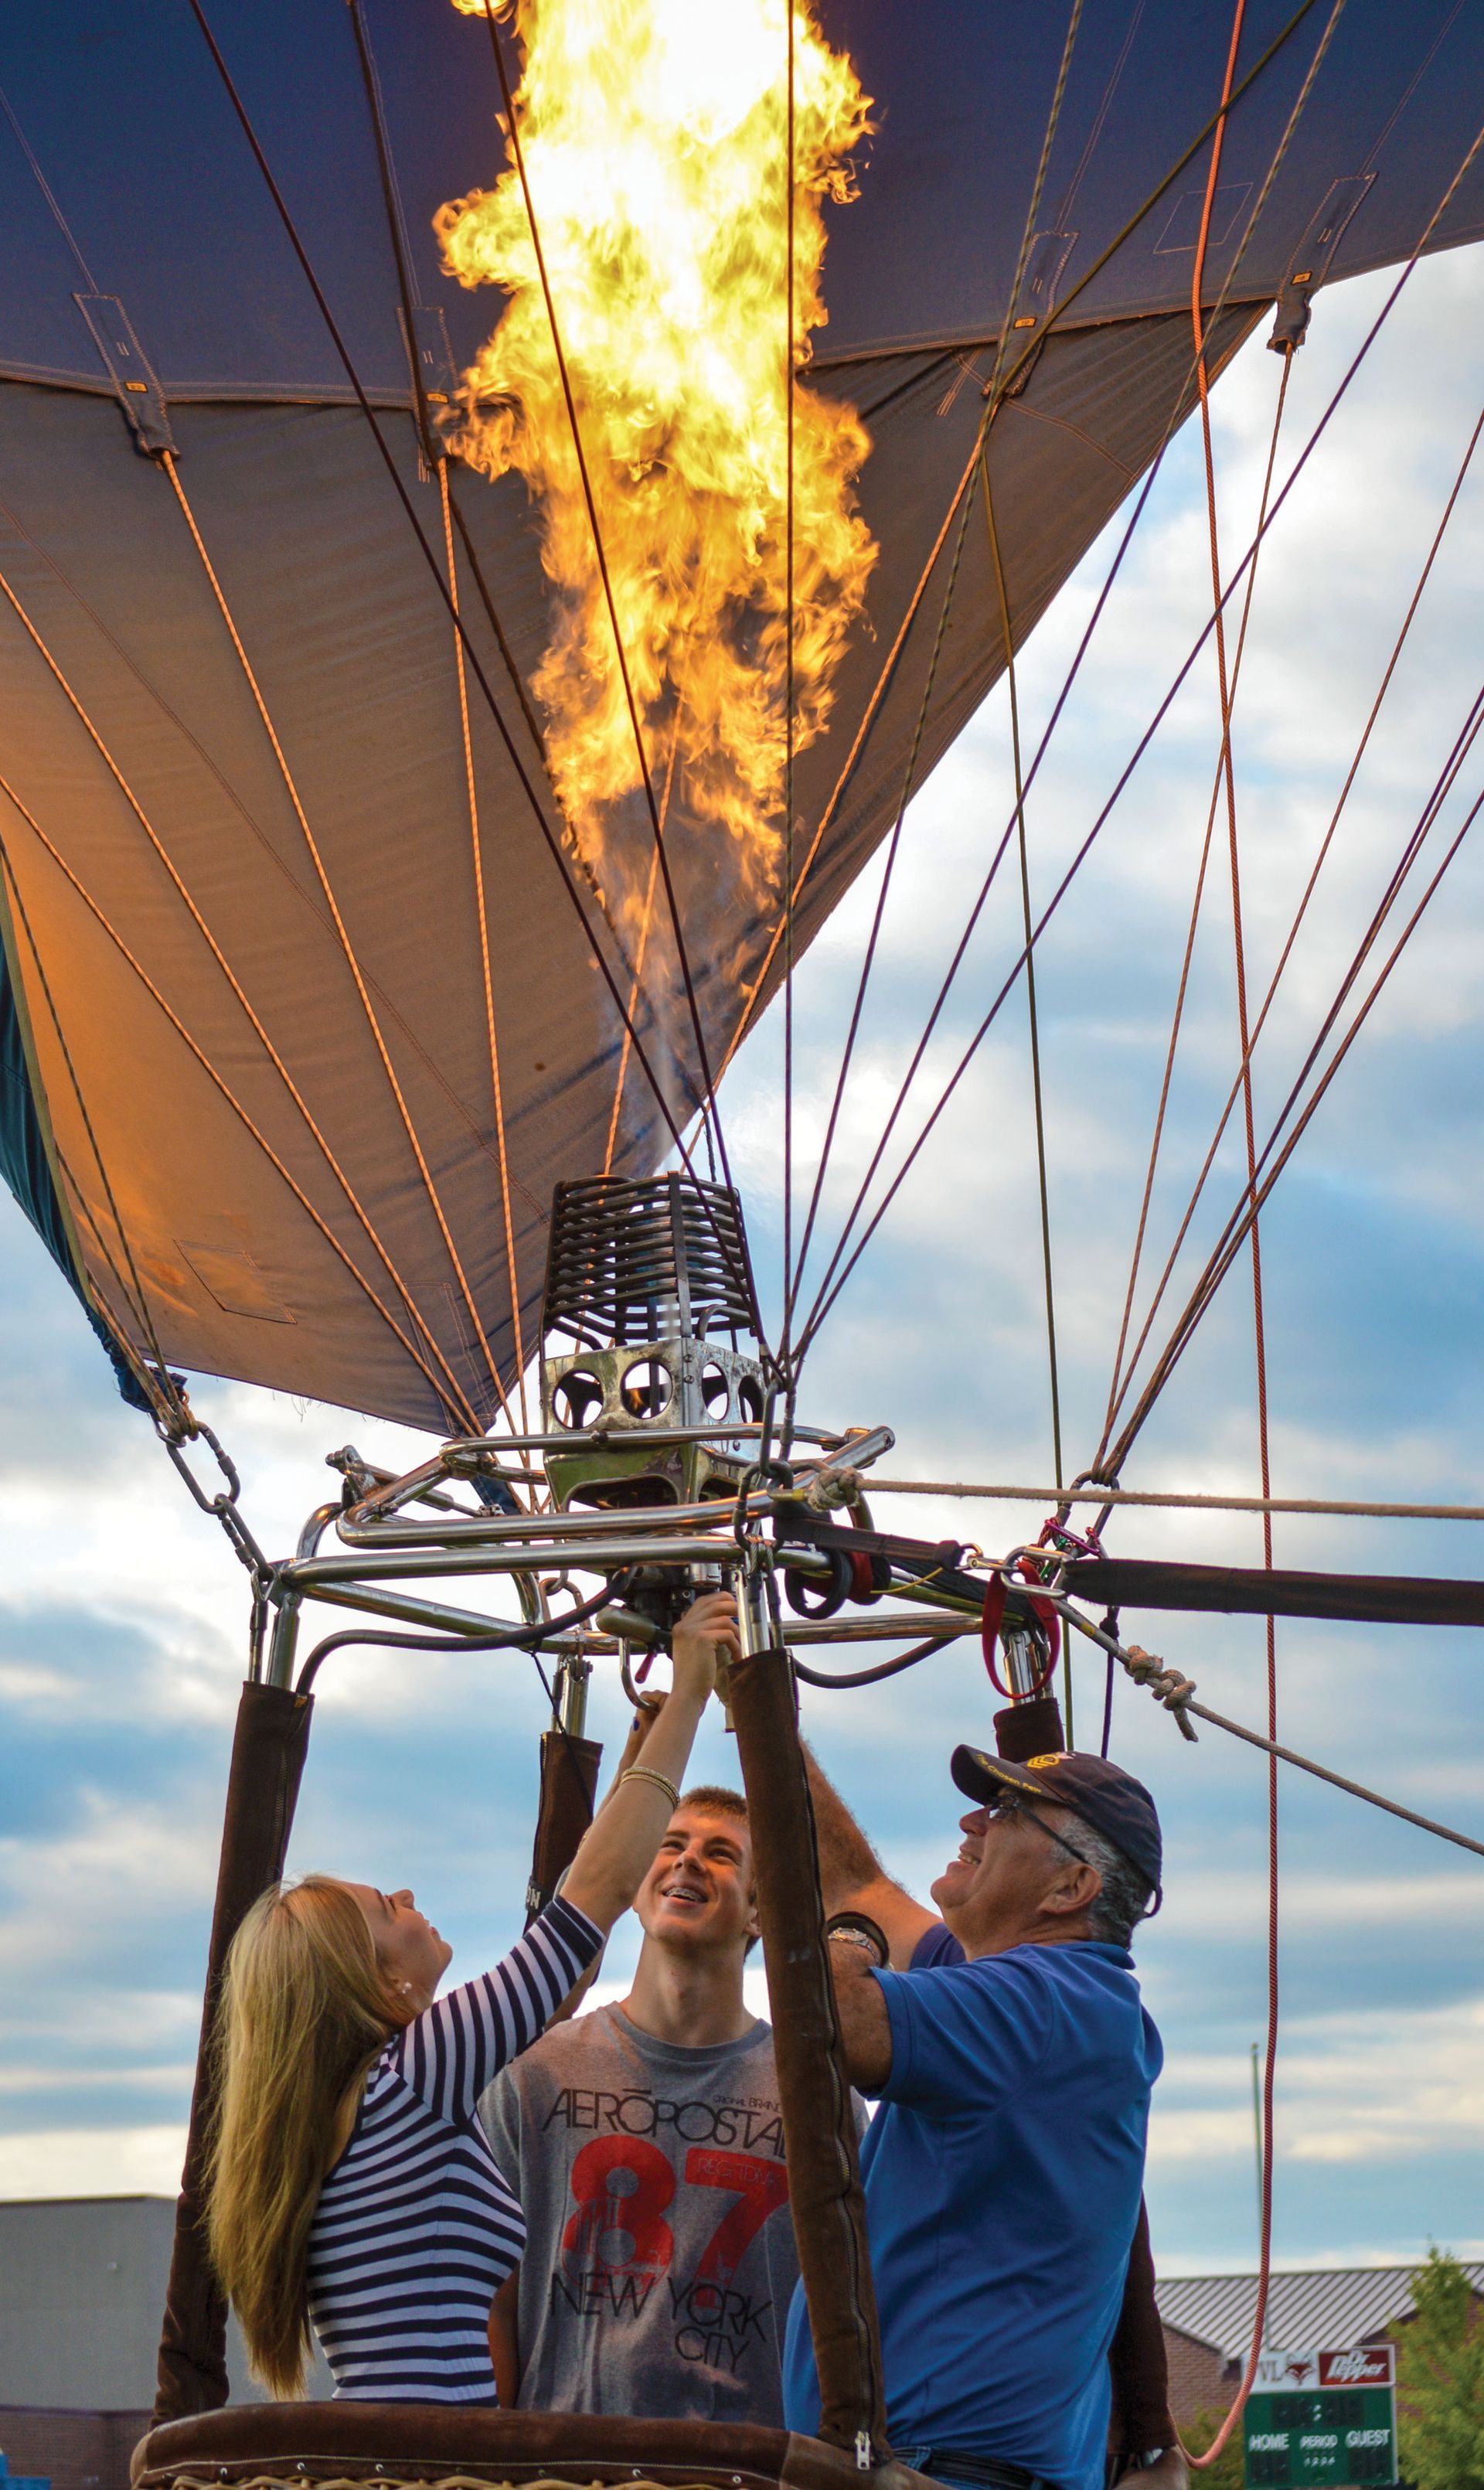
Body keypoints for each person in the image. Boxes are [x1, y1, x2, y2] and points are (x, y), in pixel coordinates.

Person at [204, 1589, 736, 2403]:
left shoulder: (360, 2108)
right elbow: (585, 1907)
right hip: (425, 2454)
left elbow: (566, 1977)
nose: (410, 1891)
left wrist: (640, 1748)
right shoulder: (414, 2074)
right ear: (379, 1982)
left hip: (391, 2448)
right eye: (389, 1905)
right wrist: (694, 1686)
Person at [804, 1739, 1183, 2490]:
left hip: (952, 2470)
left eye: (1010, 1811)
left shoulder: (1044, 2002)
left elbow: (831, 2019)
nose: (974, 1819)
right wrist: (751, 1699)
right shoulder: (1047, 1997)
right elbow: (849, 1878)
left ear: (1071, 1885)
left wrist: (851, 1943)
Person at [481, 1773, 822, 2424]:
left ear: (759, 1911)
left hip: (740, 2468)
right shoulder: (536, 2072)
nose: (689, 1858)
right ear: (637, 1887)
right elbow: (491, 2298)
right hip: (564, 2466)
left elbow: (841, 2314)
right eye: (670, 1844)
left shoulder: (809, 2095)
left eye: (721, 1853)